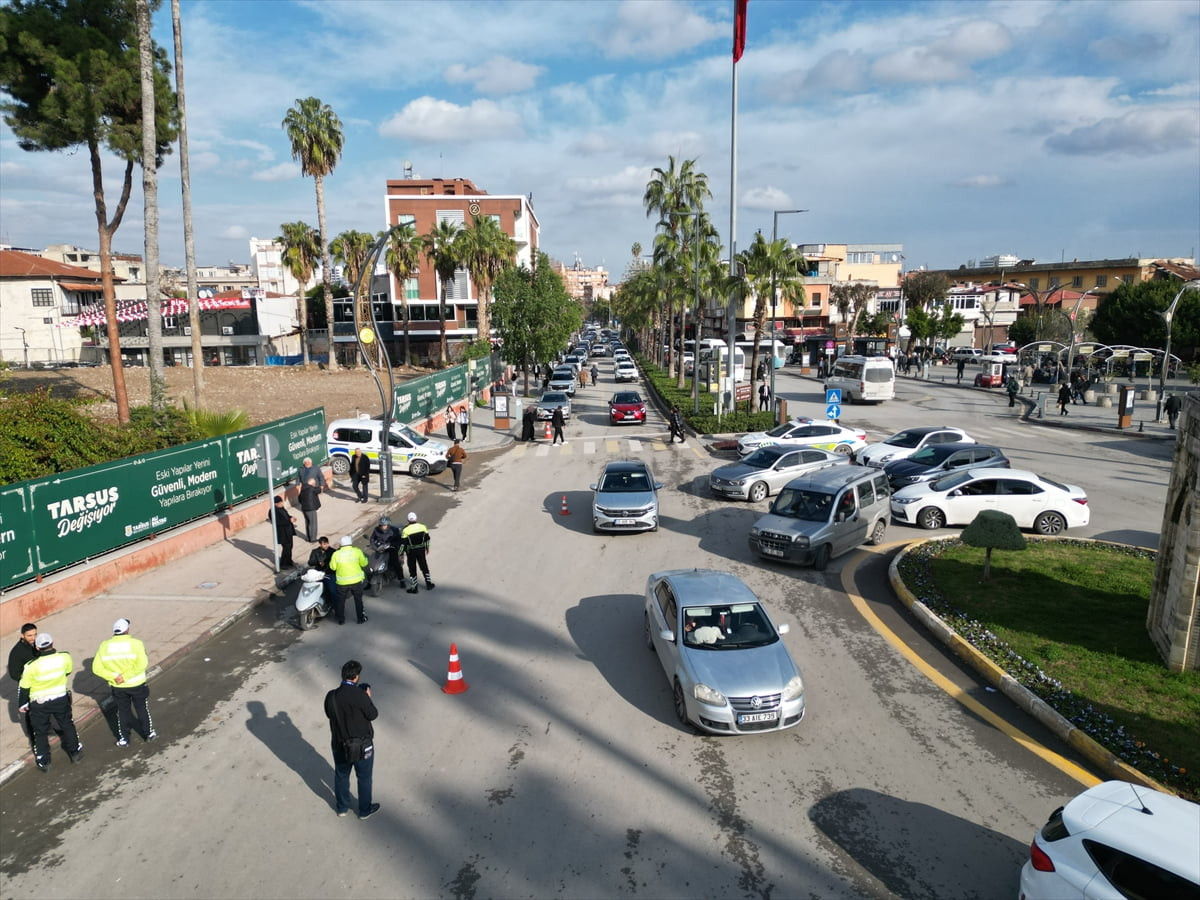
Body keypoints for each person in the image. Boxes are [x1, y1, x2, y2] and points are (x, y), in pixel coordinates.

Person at [18, 633, 83, 772]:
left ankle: (44, 762)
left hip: (39, 703)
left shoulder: (31, 666)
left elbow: (24, 687)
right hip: (60, 698)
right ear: (52, 643)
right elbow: (67, 672)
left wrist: (22, 704)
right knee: (67, 724)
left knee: (40, 732)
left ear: (37, 647)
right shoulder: (65, 657)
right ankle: (75, 753)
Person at [324, 659, 379, 820]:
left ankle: (342, 808)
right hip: (362, 745)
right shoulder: (360, 696)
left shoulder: (331, 696)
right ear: (356, 677)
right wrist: (368, 698)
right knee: (364, 778)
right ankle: (364, 810)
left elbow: (329, 714)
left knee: (341, 775)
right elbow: (373, 715)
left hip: (339, 744)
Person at [92, 618, 156, 746]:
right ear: (127, 630)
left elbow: (96, 668)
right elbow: (142, 664)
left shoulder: (104, 645)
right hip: (136, 684)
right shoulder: (136, 643)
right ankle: (148, 733)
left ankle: (124, 738)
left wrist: (114, 677)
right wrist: (125, 676)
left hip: (118, 687)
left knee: (123, 711)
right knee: (141, 708)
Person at [9, 623, 41, 753]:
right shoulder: (17, 652)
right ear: (22, 636)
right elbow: (14, 673)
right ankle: (34, 740)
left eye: (35, 634)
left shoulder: (36, 645)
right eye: (29, 635)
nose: (33, 638)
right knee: (31, 714)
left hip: (40, 685)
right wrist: (28, 679)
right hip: (29, 686)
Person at [329, 535, 369, 625]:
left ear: (341, 545)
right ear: (350, 543)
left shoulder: (336, 554)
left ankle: (341, 620)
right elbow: (364, 563)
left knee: (341, 601)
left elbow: (332, 567)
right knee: (358, 600)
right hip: (356, 581)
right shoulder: (357, 551)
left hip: (342, 582)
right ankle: (360, 618)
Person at [400, 511, 434, 594]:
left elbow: (403, 544)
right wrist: (427, 548)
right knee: (424, 566)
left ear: (408, 520)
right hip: (421, 550)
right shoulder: (423, 527)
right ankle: (428, 584)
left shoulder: (405, 530)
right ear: (416, 518)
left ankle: (414, 588)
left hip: (411, 551)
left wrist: (400, 554)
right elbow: (427, 539)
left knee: (412, 569)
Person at [369, 517, 404, 583]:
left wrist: (390, 544)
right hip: (380, 549)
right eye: (381, 525)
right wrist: (373, 545)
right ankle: (369, 581)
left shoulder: (394, 530)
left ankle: (401, 579)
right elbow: (372, 539)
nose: (383, 527)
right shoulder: (376, 530)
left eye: (384, 525)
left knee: (395, 563)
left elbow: (399, 540)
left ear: (388, 525)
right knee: (372, 563)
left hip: (391, 549)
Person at [307, 536, 337, 604]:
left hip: (329, 573)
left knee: (332, 591)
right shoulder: (315, 552)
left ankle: (335, 606)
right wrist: (318, 562)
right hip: (319, 573)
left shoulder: (333, 551)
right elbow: (310, 563)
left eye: (327, 543)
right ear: (320, 544)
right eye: (324, 544)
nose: (326, 545)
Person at [270, 495, 297, 568]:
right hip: (282, 533)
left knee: (290, 546)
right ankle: (283, 564)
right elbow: (277, 522)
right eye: (280, 502)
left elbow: (286, 516)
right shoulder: (272, 511)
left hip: (288, 531)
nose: (282, 503)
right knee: (286, 548)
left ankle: (289, 561)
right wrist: (289, 520)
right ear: (276, 503)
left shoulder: (281, 508)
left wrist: (291, 517)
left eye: (282, 502)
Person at [299, 477, 321, 542]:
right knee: (313, 523)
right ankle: (313, 538)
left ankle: (308, 537)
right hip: (311, 508)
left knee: (307, 523)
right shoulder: (312, 489)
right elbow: (319, 490)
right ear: (313, 483)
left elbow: (299, 499)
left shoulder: (303, 489)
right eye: (314, 483)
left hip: (304, 508)